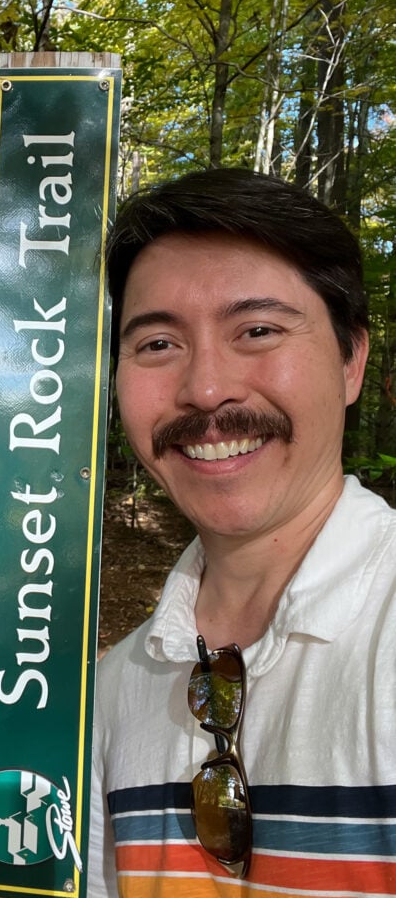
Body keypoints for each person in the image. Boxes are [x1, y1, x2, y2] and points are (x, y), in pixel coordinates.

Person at [87, 168, 396, 897]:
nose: (206, 388)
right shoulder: (109, 694)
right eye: (158, 344)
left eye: (256, 330)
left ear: (352, 358)